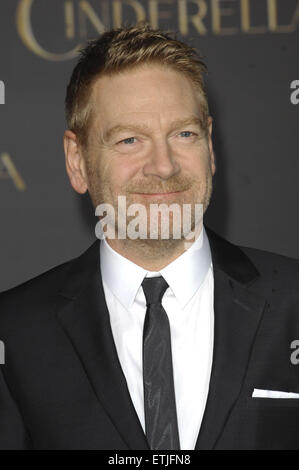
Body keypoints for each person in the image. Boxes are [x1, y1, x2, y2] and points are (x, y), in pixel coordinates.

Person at [0, 22, 299, 451]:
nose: (163, 165)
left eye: (183, 134)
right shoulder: (14, 334)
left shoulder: (292, 303)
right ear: (77, 161)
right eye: (129, 140)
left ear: (210, 146)